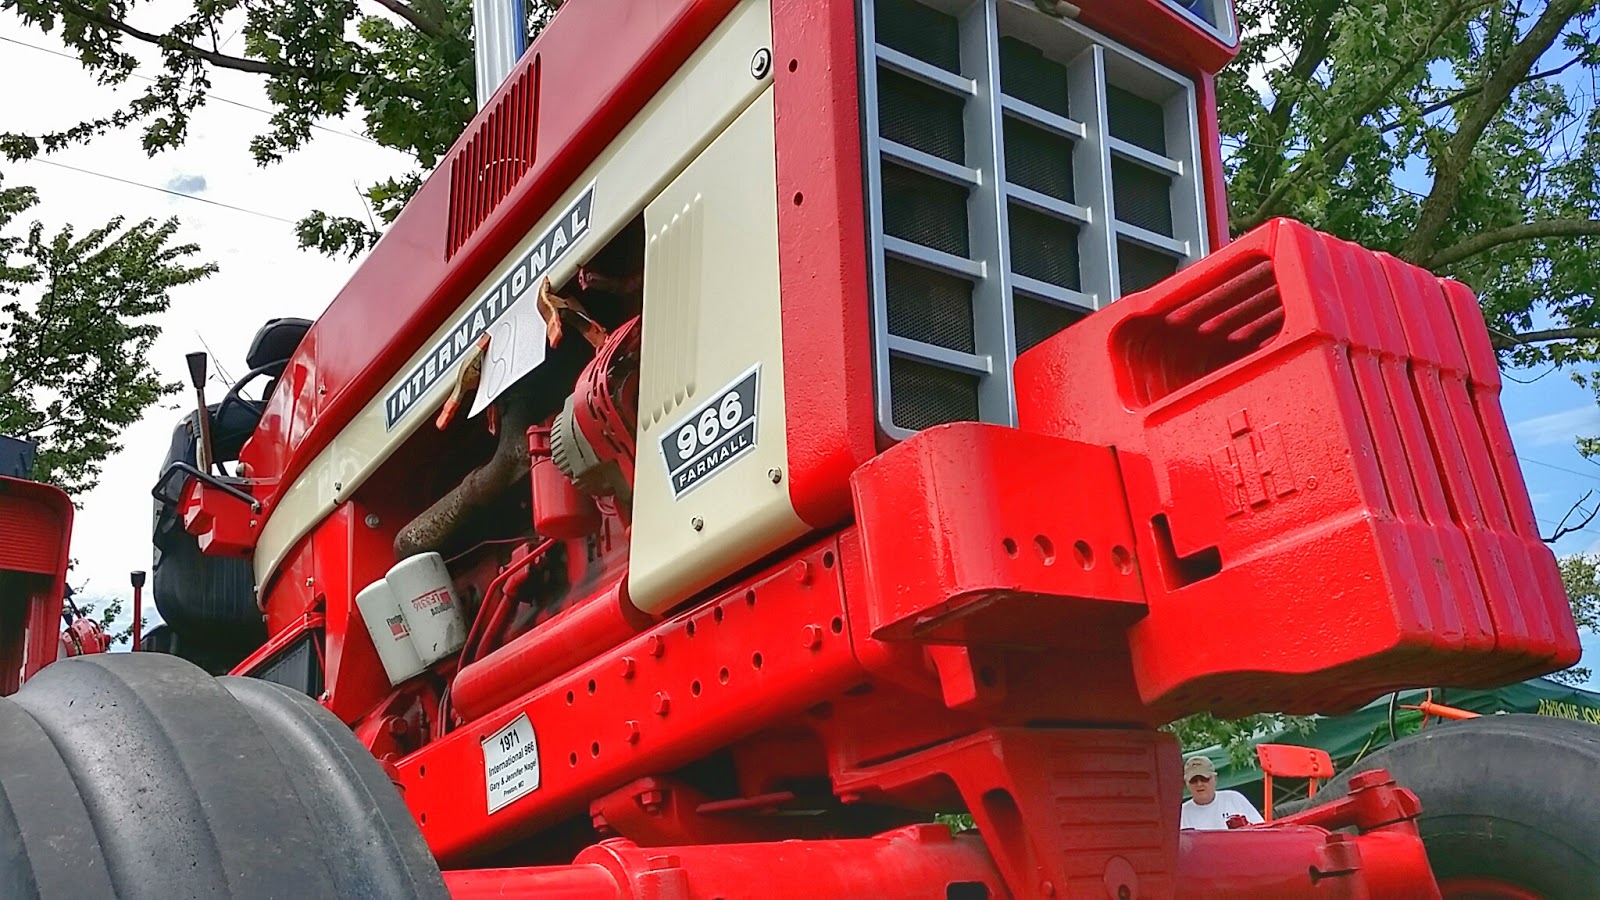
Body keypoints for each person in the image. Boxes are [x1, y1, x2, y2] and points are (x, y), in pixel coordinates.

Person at [1179, 755, 1263, 830]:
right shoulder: (1181, 814)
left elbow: (1260, 830)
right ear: (1186, 783)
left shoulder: (1234, 798)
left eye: (1204, 779)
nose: (1199, 784)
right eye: (1193, 780)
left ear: (1215, 779)